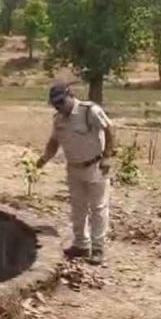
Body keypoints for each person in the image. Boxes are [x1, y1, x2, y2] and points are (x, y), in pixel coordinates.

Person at [36, 82, 115, 265]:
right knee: (78, 208)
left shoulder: (90, 111)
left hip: (95, 166)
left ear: (70, 96)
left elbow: (110, 130)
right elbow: (54, 142)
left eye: (61, 102)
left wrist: (107, 157)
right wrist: (44, 159)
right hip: (74, 168)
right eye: (55, 104)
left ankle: (97, 248)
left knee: (98, 207)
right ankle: (81, 244)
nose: (59, 106)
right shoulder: (59, 119)